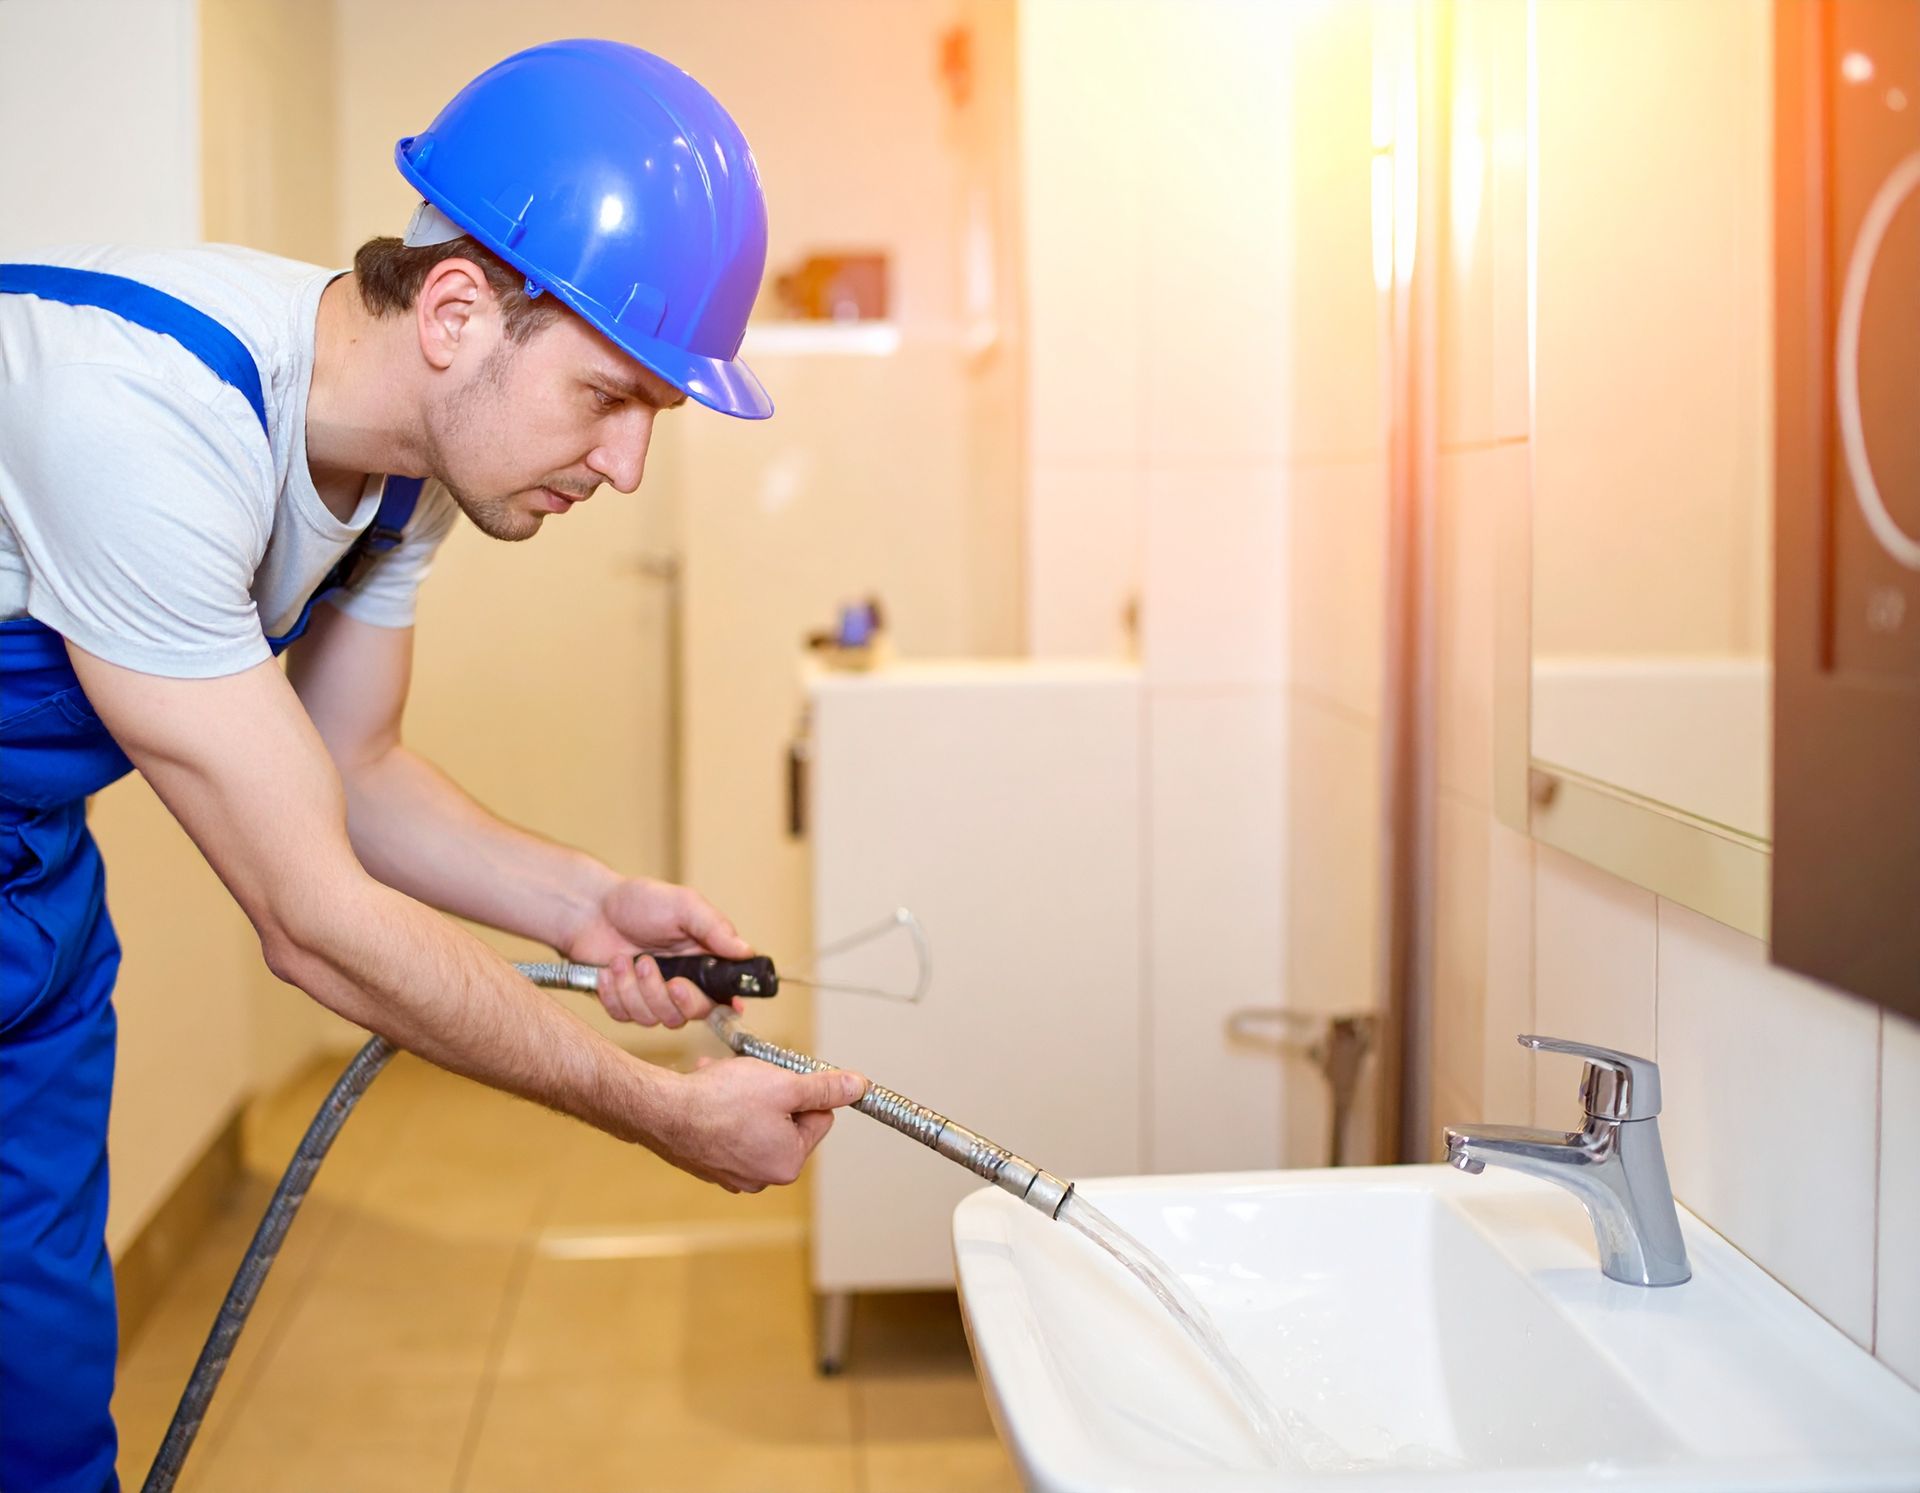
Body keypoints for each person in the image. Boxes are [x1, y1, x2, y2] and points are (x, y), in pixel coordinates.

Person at [0, 40, 865, 1492]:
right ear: (459, 310)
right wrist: (652, 1106)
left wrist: (587, 907)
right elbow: (312, 918)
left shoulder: (408, 475)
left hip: (32, 892)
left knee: (37, 1401)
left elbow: (360, 764)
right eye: (611, 397)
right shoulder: (144, 412)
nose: (629, 467)